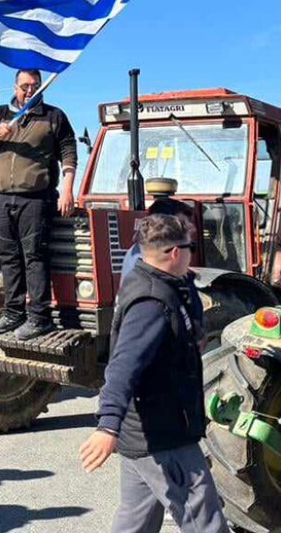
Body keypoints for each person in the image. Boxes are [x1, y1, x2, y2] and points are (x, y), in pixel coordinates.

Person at [79, 214, 228, 533]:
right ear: (176, 252)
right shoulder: (151, 302)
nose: (192, 254)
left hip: (143, 436)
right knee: (206, 521)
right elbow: (122, 367)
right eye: (190, 248)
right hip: (164, 436)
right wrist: (107, 426)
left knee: (136, 522)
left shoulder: (156, 282)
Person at [0, 68, 77, 341]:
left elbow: (69, 152)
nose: (30, 90)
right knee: (8, 257)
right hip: (2, 198)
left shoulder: (54, 117)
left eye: (35, 85)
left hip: (36, 198)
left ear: (42, 87)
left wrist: (67, 191)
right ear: (14, 87)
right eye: (24, 86)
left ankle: (39, 318)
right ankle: (13, 313)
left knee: (35, 256)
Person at [120, 179, 195, 283]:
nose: (191, 228)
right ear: (165, 225)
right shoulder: (151, 259)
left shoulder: (142, 249)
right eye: (181, 224)